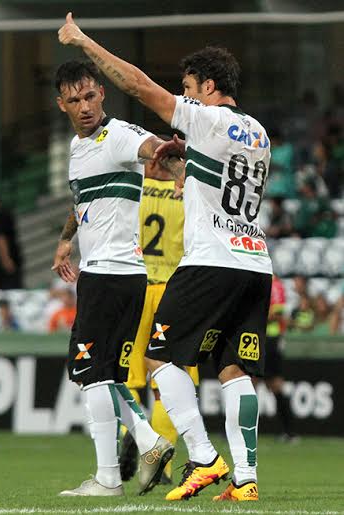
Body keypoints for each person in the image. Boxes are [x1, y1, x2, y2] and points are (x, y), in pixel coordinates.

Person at [59, 14, 271, 502]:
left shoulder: (206, 117)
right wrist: (184, 167)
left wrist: (83, 40)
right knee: (235, 370)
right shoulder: (259, 134)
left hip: (210, 260)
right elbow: (211, 170)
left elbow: (137, 84)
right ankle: (245, 478)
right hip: (255, 260)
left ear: (210, 86)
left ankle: (201, 456)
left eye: (190, 88)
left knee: (159, 359)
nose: (185, 96)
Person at [51, 60, 174, 498]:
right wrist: (67, 241)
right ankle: (145, 440)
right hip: (124, 276)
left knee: (89, 374)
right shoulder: (78, 148)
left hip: (108, 277)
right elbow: (83, 199)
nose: (84, 106)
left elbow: (156, 149)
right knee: (104, 374)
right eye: (74, 99)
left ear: (102, 93)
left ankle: (110, 475)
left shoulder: (118, 134)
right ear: (61, 103)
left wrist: (176, 167)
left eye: (89, 96)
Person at [119, 145, 199, 486]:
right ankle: (162, 465)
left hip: (136, 288)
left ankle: (135, 436)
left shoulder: (134, 192)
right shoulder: (189, 196)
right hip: (175, 293)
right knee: (171, 380)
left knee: (130, 376)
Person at [259, 275, 297, 441]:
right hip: (260, 339)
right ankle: (289, 431)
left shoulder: (274, 285)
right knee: (249, 381)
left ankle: (289, 430)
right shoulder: (265, 283)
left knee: (273, 384)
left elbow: (277, 314)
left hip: (269, 340)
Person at [0, 193, 23, 289]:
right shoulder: (4, 214)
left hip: (1, 263)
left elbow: (0, 238)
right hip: (9, 258)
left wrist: (6, 259)